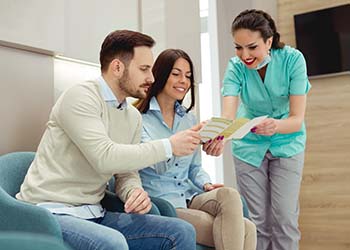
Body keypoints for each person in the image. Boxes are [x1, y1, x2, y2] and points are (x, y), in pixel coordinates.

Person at [16, 30, 201, 250]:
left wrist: (133, 191)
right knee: (112, 243)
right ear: (117, 67)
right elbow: (105, 157)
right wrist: (169, 146)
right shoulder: (81, 97)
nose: (151, 78)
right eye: (143, 69)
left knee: (180, 231)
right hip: (51, 212)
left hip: (94, 212)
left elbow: (126, 172)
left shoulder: (131, 116)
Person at [135, 48, 257, 250]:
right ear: (160, 74)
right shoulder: (139, 119)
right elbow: (156, 166)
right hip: (163, 203)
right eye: (176, 74)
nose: (183, 80)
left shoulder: (188, 119)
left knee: (229, 195)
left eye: (188, 76)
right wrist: (180, 142)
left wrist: (206, 184)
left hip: (190, 195)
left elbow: (194, 168)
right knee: (247, 229)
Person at [220, 9, 311, 250]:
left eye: (252, 47)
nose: (244, 55)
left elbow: (296, 119)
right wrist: (219, 136)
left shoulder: (293, 60)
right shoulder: (235, 67)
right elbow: (228, 115)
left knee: (285, 218)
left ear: (268, 41)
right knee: (256, 223)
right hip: (248, 147)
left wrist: (276, 126)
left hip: (287, 143)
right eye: (238, 48)